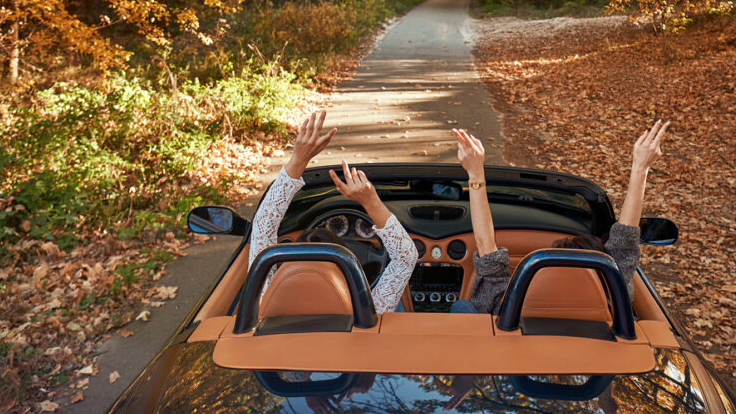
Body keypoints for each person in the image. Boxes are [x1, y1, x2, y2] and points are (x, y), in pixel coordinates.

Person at [456, 120, 670, 315]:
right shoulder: (614, 298)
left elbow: (485, 245)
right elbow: (626, 239)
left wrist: (475, 173)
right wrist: (640, 167)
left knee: (461, 307)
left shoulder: (505, 306)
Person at [249, 111, 417, 314]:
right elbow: (406, 257)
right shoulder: (369, 313)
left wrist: (298, 160)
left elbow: (263, 226)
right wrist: (370, 201)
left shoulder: (265, 304)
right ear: (347, 274)